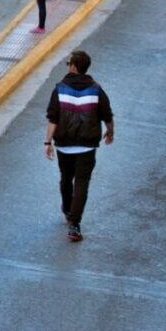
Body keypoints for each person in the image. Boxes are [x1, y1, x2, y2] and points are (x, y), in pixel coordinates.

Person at [44, 50, 114, 242]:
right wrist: (110, 131)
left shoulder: (60, 88)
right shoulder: (96, 89)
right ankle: (75, 225)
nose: (67, 66)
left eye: (68, 63)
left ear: (74, 66)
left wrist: (48, 141)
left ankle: (68, 210)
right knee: (82, 183)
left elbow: (53, 118)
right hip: (87, 146)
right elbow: (107, 114)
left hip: (64, 145)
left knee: (66, 179)